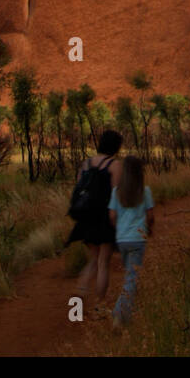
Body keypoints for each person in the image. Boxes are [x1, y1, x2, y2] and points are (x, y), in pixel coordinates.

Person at [67, 130, 124, 312]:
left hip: (86, 217)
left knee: (93, 259)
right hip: (104, 217)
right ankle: (100, 304)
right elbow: (117, 194)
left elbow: (79, 189)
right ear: (116, 146)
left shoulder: (86, 163)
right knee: (103, 262)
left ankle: (80, 293)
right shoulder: (114, 165)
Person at [108, 155, 154, 326]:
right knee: (132, 278)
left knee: (129, 274)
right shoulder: (145, 191)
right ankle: (119, 314)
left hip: (122, 239)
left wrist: (119, 229)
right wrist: (149, 230)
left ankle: (127, 313)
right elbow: (150, 216)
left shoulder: (116, 192)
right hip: (138, 238)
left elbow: (112, 215)